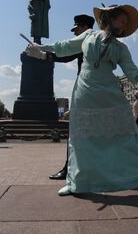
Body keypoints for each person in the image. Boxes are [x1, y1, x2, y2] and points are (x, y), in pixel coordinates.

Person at [26, 4, 138, 196]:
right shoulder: (88, 35)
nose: (122, 26)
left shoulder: (121, 48)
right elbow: (65, 47)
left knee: (128, 137)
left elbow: (133, 73)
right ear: (110, 18)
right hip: (85, 91)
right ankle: (76, 182)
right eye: (121, 21)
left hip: (110, 93)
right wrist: (41, 48)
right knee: (82, 140)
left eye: (125, 24)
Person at [47, 14, 95, 180]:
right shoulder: (94, 40)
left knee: (76, 131)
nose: (75, 32)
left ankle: (69, 169)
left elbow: (66, 54)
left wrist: (43, 53)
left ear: (84, 27)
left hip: (86, 90)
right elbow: (67, 55)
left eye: (77, 29)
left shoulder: (88, 39)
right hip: (98, 90)